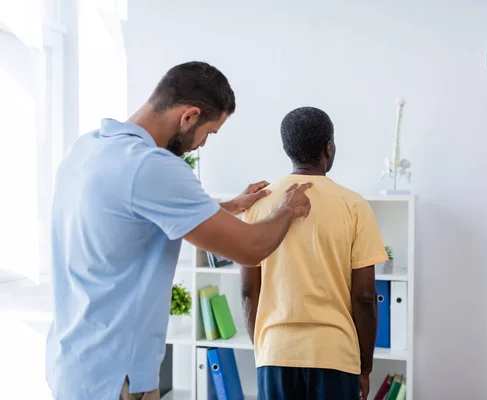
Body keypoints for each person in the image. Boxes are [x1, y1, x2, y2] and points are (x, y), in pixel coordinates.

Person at [45, 61, 312, 400]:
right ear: (189, 116)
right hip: (117, 379)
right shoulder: (152, 167)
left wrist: (229, 207)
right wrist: (288, 209)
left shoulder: (87, 148)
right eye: (209, 133)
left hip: (72, 364)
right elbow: (251, 248)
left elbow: (131, 217)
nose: (201, 144)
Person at [241, 107, 389, 400]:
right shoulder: (354, 205)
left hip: (275, 352)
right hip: (335, 355)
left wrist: (265, 350)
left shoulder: (258, 204)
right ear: (329, 148)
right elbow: (365, 297)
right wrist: (365, 367)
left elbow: (248, 291)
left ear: (287, 150)